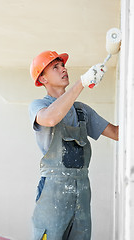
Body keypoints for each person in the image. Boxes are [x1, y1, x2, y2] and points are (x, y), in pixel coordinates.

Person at [29, 50, 118, 240]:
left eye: (63, 65)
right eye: (56, 67)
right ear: (43, 79)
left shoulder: (82, 111)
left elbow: (117, 134)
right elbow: (51, 118)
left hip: (82, 191)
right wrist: (81, 83)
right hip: (53, 192)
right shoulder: (38, 106)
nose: (63, 69)